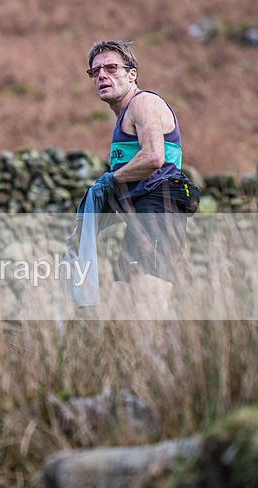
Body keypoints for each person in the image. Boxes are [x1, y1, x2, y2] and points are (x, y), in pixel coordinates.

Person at [85, 40, 198, 316]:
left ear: (131, 73)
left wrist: (109, 181)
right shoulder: (124, 116)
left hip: (160, 208)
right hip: (141, 216)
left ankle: (167, 359)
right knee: (121, 307)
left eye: (111, 68)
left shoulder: (143, 103)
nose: (102, 75)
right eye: (95, 71)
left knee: (148, 309)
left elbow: (153, 157)